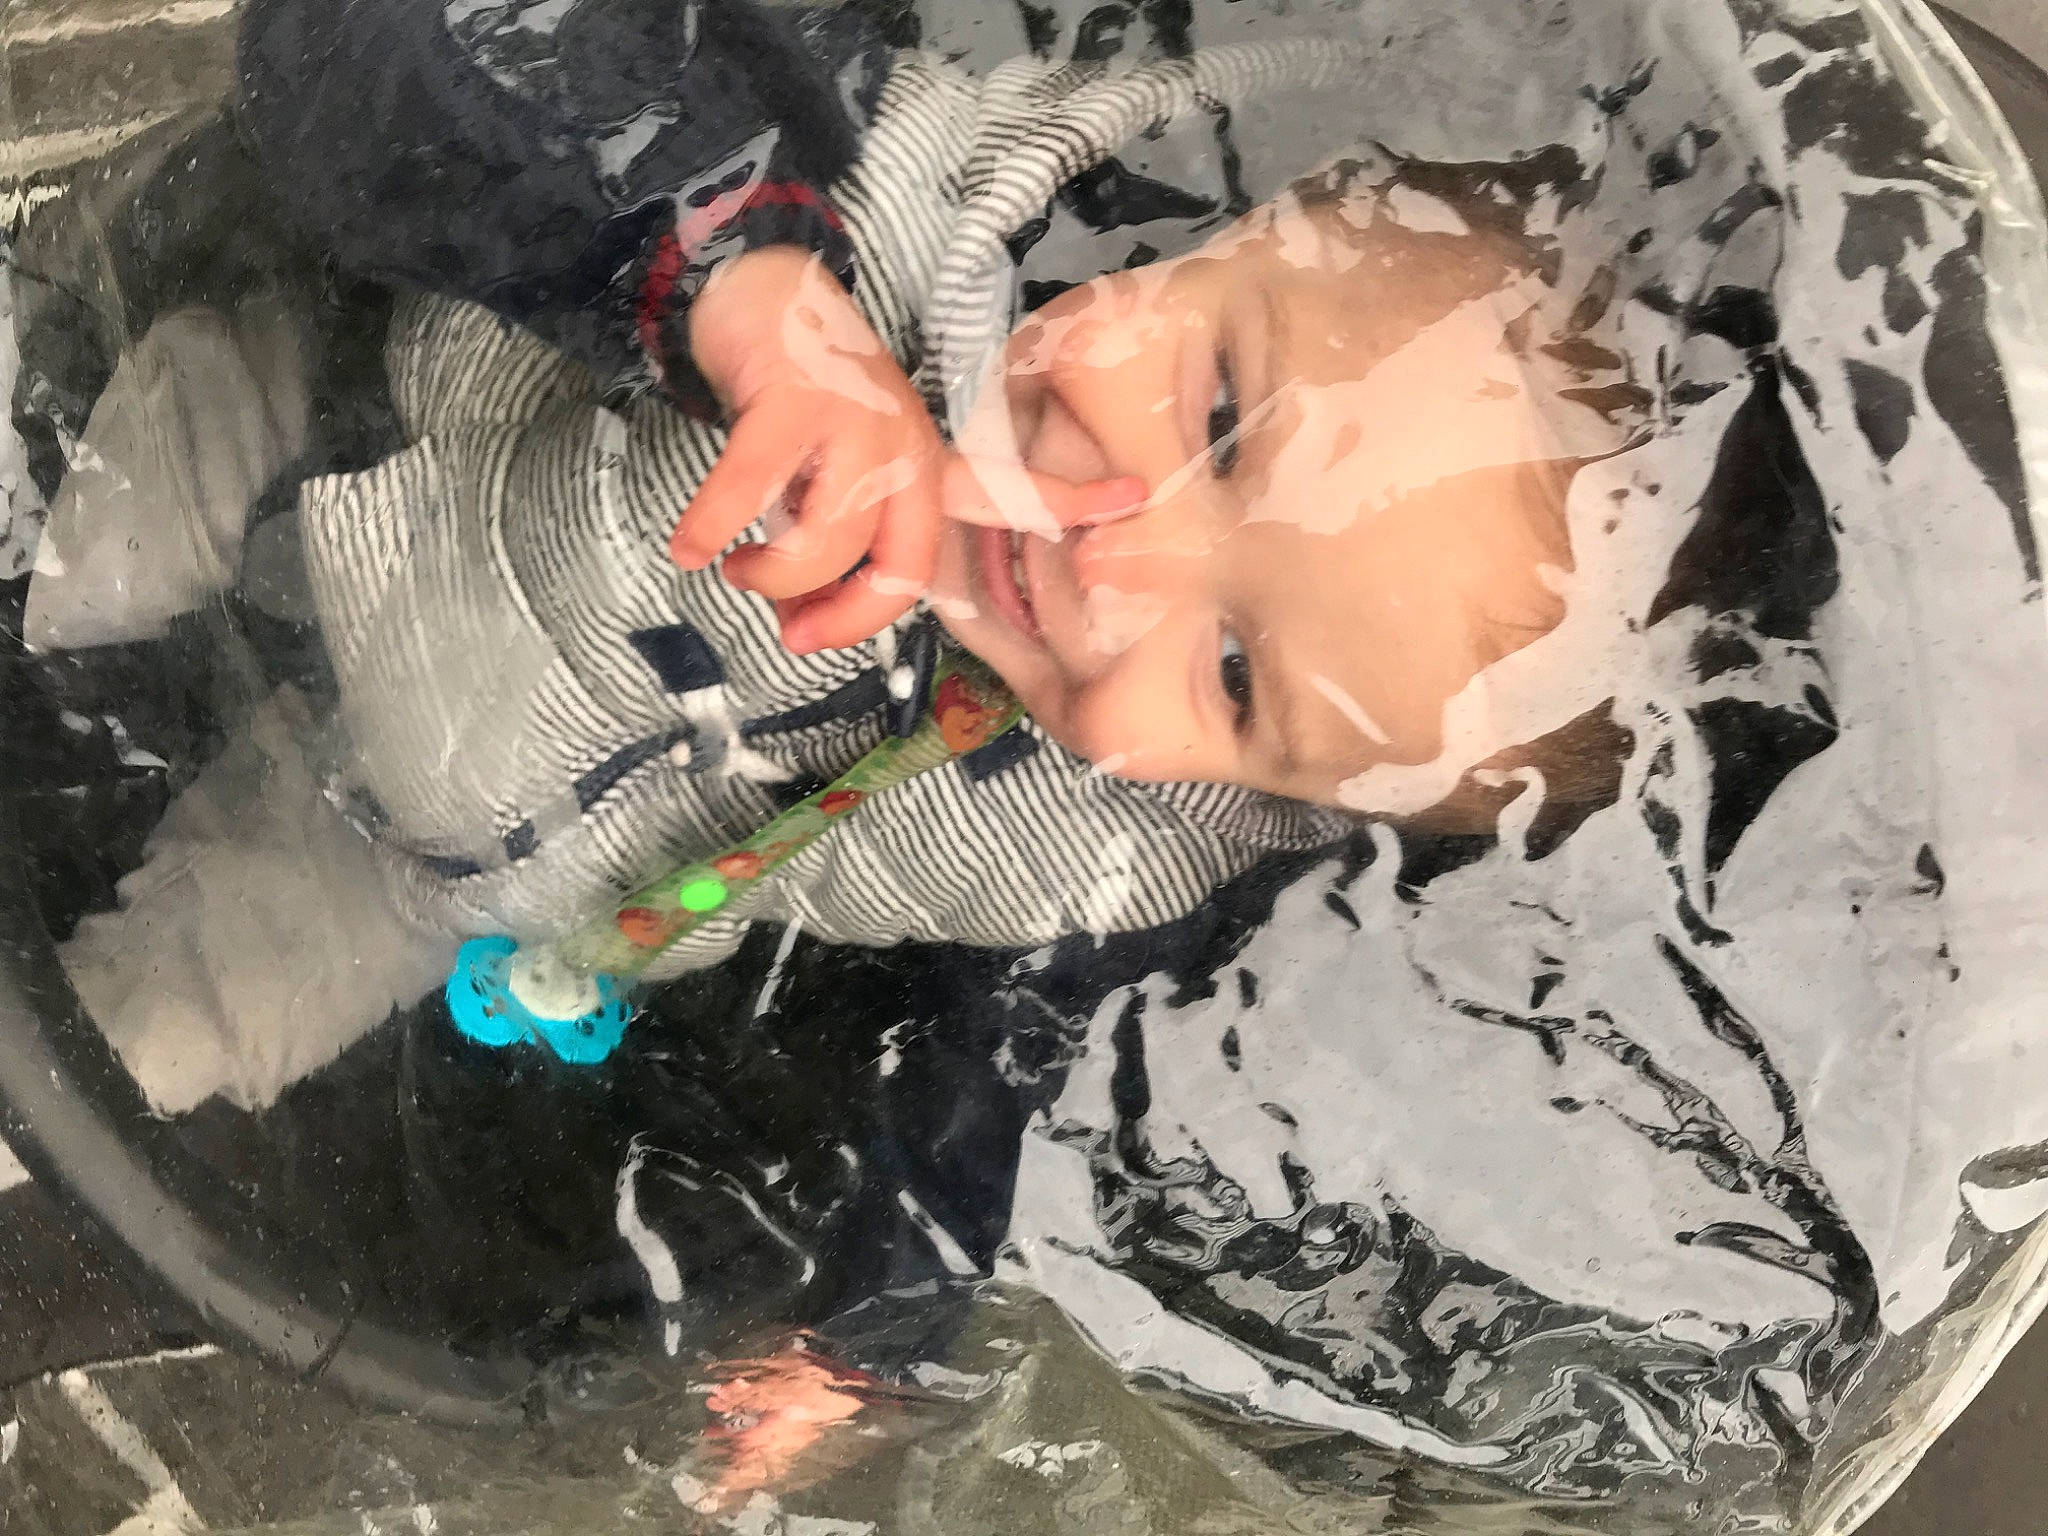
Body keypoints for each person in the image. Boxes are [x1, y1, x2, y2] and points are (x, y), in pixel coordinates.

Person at [45, 0, 1622, 1110]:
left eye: (1232, 673)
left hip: (430, 874)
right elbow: (415, 46)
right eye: (1218, 414)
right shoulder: (900, 185)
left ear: (1296, 799)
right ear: (1243, 221)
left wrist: (872, 1330)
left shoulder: (1148, 853)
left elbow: (997, 1064)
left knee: (147, 1049)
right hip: (333, 452)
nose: (1121, 566)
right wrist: (731, 274)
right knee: (76, 528)